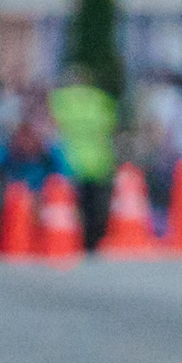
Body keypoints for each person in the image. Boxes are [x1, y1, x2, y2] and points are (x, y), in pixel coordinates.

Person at [48, 66, 120, 249]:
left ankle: (74, 241)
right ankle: (93, 242)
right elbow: (112, 129)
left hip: (71, 161)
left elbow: (52, 128)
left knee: (74, 207)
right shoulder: (101, 99)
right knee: (95, 207)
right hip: (98, 161)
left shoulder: (60, 100)